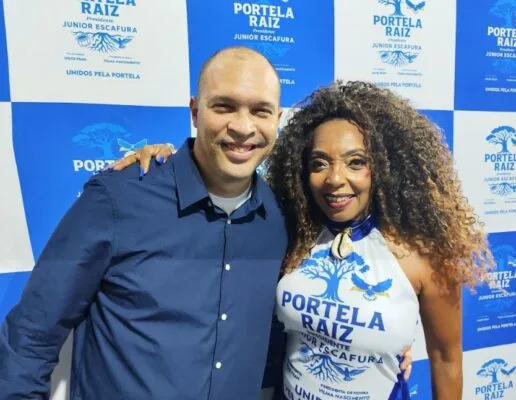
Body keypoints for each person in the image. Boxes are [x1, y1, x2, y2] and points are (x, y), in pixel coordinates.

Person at [120, 81, 493, 400]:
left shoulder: (423, 257)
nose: (335, 179)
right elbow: (219, 191)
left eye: (356, 162)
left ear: (384, 166)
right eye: (319, 163)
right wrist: (166, 163)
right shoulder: (290, 230)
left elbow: (446, 359)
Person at [0, 46, 288, 399]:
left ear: (277, 119)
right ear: (195, 112)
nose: (243, 127)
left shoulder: (280, 217)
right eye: (224, 106)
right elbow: (30, 336)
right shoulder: (119, 197)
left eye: (260, 111)